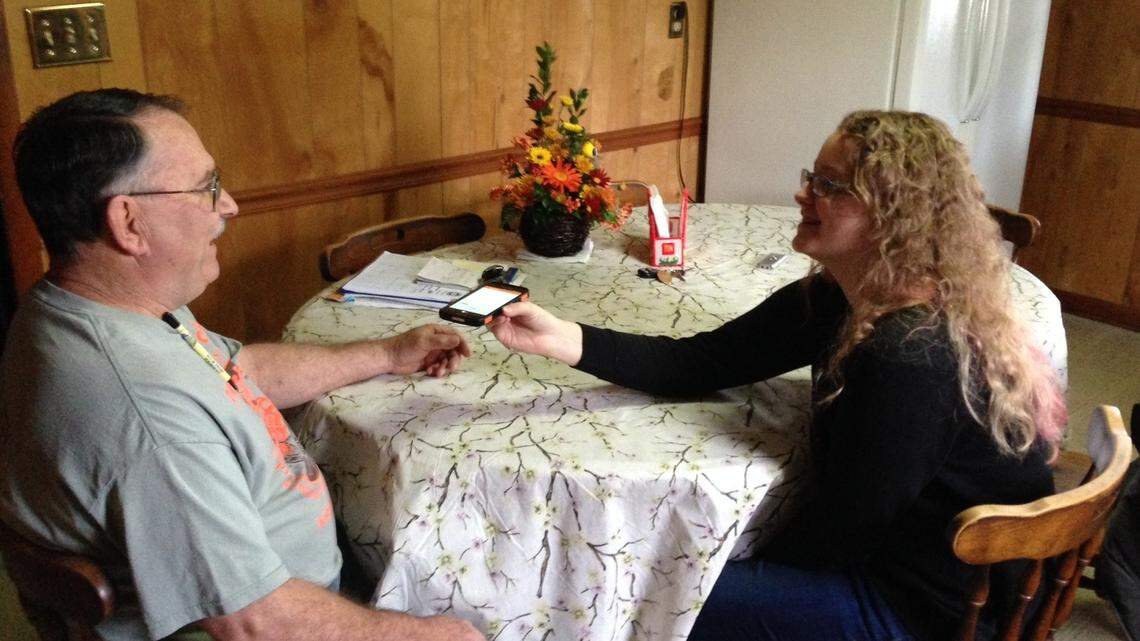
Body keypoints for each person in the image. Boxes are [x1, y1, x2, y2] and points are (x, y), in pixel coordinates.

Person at [488, 110, 1067, 641]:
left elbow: (843, 534)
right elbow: (701, 361)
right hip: (897, 565)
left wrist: (730, 573)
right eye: (812, 176)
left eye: (831, 185)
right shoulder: (843, 297)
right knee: (670, 574)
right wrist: (562, 337)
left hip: (923, 610)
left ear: (893, 216)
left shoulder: (909, 354)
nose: (803, 193)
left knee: (646, 592)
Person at [0, 89, 482, 641]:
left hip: (284, 571)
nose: (227, 205)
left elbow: (237, 368)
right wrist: (433, 635)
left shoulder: (96, 307)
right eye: (206, 187)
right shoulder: (147, 415)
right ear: (128, 223)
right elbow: (256, 621)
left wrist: (387, 354)